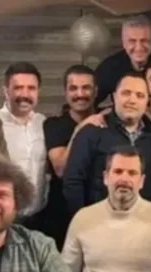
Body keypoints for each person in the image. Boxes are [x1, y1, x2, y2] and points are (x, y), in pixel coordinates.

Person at [63, 72, 151, 217]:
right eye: (126, 93)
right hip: (99, 222)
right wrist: (83, 221)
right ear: (114, 97)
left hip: (142, 223)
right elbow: (72, 181)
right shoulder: (92, 132)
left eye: (140, 95)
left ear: (147, 102)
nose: (132, 100)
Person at [43, 65, 98, 249]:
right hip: (61, 215)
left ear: (96, 91)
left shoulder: (106, 121)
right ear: (65, 92)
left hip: (99, 213)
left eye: (86, 88)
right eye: (73, 88)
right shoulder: (53, 125)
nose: (80, 94)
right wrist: (82, 128)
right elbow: (60, 169)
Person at [0, 62, 49, 228]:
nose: (25, 94)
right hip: (4, 218)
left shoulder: (45, 123)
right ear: (6, 91)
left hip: (41, 217)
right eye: (18, 88)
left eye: (31, 88)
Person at [94, 14, 151, 108]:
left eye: (144, 40)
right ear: (123, 43)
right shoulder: (109, 68)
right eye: (132, 41)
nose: (139, 47)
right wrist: (107, 112)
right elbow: (91, 102)